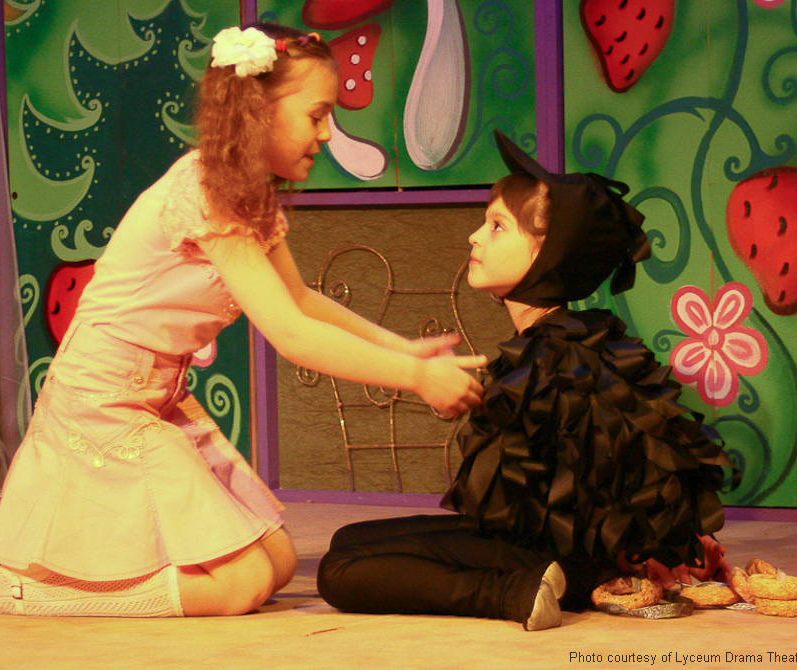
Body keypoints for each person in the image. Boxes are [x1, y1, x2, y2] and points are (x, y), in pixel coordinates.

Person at [0, 23, 486, 618]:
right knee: (241, 585)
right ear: (259, 112)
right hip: (104, 404)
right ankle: (15, 591)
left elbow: (299, 300)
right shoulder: (208, 190)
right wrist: (414, 378)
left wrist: (401, 347)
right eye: (317, 115)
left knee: (278, 561)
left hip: (157, 398)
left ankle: (92, 575)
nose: (326, 133)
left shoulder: (245, 192)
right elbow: (292, 335)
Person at [316, 131, 739, 630]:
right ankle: (525, 581)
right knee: (348, 540)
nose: (475, 237)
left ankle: (512, 594)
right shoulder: (572, 339)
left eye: (497, 226)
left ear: (548, 254)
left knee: (338, 570)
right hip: (552, 549)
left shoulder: (551, 355)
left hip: (557, 561)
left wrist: (655, 552)